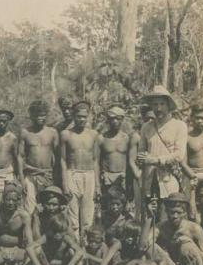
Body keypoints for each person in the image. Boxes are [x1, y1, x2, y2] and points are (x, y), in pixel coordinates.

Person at [138, 85, 188, 208]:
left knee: (169, 212)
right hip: (149, 177)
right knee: (149, 215)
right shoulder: (146, 127)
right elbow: (141, 151)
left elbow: (179, 155)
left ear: (168, 105)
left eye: (162, 104)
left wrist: (155, 160)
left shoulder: (179, 126)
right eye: (155, 105)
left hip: (169, 177)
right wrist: (141, 158)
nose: (158, 108)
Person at [61, 101, 100, 237]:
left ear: (88, 116)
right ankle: (75, 247)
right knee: (73, 214)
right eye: (78, 116)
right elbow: (63, 160)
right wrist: (65, 184)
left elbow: (95, 160)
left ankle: (87, 245)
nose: (82, 119)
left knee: (88, 215)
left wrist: (97, 185)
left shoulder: (93, 134)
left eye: (84, 116)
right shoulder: (66, 134)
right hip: (72, 173)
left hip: (89, 175)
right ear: (73, 116)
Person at [20, 100, 59, 215]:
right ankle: (30, 232)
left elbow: (58, 157)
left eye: (43, 115)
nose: (40, 118)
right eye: (37, 115)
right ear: (31, 116)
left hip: (48, 175)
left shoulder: (53, 133)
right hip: (30, 175)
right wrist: (22, 179)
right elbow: (19, 157)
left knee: (48, 207)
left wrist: (56, 177)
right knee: (30, 207)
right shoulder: (25, 133)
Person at [128, 105, 155, 220]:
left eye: (152, 118)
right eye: (147, 118)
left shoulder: (157, 134)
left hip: (154, 173)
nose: (150, 121)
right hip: (140, 174)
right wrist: (138, 174)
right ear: (143, 118)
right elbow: (131, 159)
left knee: (152, 205)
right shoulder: (136, 136)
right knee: (139, 207)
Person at [98, 105, 129, 198]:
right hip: (107, 177)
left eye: (118, 118)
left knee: (122, 205)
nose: (115, 121)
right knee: (107, 205)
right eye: (112, 119)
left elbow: (131, 160)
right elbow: (96, 160)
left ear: (122, 120)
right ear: (108, 120)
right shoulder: (101, 138)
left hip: (122, 176)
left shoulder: (127, 138)